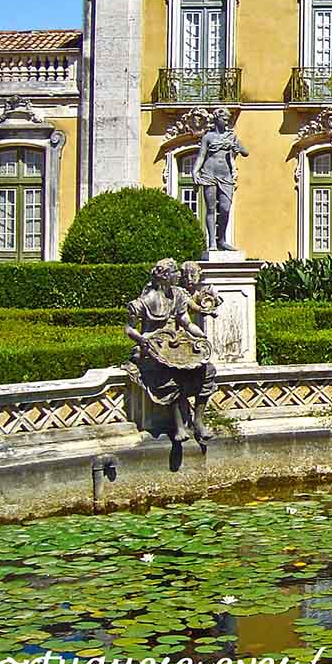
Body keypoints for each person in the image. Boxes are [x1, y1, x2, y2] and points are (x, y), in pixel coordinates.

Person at [125, 259, 217, 444]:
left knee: (208, 371)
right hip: (152, 348)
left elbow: (187, 323)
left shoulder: (177, 295)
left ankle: (198, 421)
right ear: (165, 276)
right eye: (175, 272)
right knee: (170, 375)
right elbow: (128, 329)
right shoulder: (145, 301)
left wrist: (202, 337)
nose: (179, 276)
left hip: (175, 345)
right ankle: (178, 425)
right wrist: (143, 340)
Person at [193, 108, 248, 252]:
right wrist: (194, 171)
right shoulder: (208, 137)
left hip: (225, 176)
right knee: (211, 209)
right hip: (209, 173)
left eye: (228, 119)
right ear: (217, 119)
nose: (227, 122)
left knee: (225, 209)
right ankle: (212, 242)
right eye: (224, 119)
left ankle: (222, 239)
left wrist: (237, 148)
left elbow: (245, 152)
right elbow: (201, 156)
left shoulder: (232, 136)